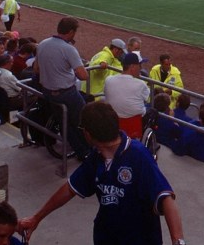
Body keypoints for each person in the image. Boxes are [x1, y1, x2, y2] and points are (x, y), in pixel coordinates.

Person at [18, 101, 186, 245]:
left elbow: (166, 198)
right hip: (107, 237)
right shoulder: (96, 157)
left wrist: (178, 241)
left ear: (87, 134)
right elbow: (70, 189)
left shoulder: (138, 155)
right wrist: (36, 218)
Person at [34, 16, 91, 160]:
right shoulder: (69, 49)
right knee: (85, 119)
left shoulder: (42, 43)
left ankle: (81, 152)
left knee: (65, 123)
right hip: (66, 93)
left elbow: (36, 69)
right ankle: (88, 151)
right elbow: (83, 76)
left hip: (47, 92)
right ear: (71, 32)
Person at [103, 52, 150, 139]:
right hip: (133, 128)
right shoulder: (141, 84)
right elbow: (148, 99)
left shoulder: (109, 80)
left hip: (112, 124)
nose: (141, 69)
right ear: (132, 67)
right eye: (139, 65)